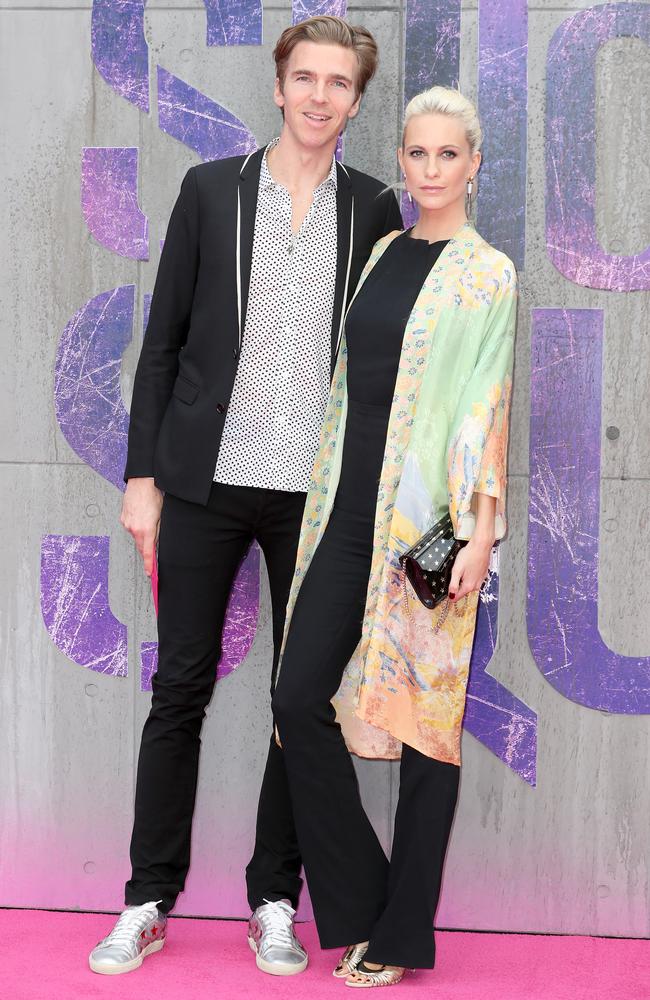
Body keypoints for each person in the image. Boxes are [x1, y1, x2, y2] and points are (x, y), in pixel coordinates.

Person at [88, 16, 402, 977]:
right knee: (177, 686)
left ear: (355, 100)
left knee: (290, 700)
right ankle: (147, 897)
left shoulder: (374, 208)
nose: (318, 96)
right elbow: (164, 344)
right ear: (278, 86)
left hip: (315, 497)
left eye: (337, 83)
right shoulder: (210, 190)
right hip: (205, 482)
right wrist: (142, 479)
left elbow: (388, 362)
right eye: (304, 78)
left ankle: (274, 896)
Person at [272, 85, 517, 987]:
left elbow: (487, 406)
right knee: (298, 699)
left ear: (474, 162)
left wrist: (481, 534)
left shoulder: (489, 273)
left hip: (430, 527)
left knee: (426, 726)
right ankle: (371, 905)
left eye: (446, 155)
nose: (428, 170)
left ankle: (402, 933)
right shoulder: (380, 251)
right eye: (416, 154)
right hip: (342, 515)